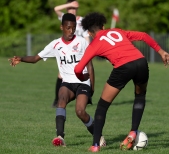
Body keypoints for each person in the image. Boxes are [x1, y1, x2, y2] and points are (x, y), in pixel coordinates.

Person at [74, 12, 169, 152]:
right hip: (141, 62)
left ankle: (95, 145)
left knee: (102, 106)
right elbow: (144, 36)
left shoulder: (94, 44)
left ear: (90, 33)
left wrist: (83, 78)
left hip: (123, 67)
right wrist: (161, 51)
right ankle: (133, 131)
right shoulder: (117, 31)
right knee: (140, 96)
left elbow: (78, 68)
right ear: (103, 26)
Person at [8, 13, 106, 147]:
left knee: (80, 112)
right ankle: (60, 137)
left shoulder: (82, 42)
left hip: (83, 82)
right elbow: (36, 58)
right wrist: (21, 58)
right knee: (61, 100)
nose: (71, 31)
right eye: (68, 28)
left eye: (73, 28)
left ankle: (98, 136)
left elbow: (90, 66)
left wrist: (92, 88)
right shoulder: (55, 45)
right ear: (62, 27)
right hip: (67, 82)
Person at [52, 0, 90, 107]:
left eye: (74, 8)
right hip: (67, 52)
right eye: (70, 8)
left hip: (79, 52)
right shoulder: (65, 18)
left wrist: (87, 52)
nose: (72, 10)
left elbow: (86, 36)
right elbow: (56, 9)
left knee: (85, 73)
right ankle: (57, 100)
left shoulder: (82, 21)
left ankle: (87, 96)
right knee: (61, 75)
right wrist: (67, 4)